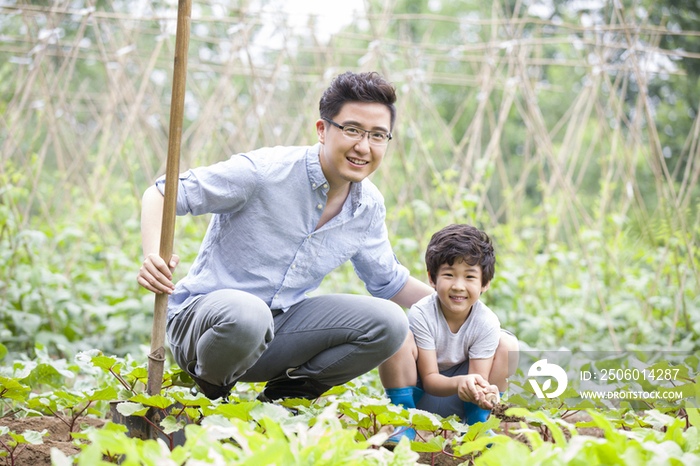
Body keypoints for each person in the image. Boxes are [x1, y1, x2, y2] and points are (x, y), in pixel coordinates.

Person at [137, 71, 435, 401]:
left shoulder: (367, 206)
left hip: (277, 334)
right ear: (323, 130)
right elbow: (161, 193)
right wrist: (152, 254)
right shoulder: (263, 172)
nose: (363, 147)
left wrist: (468, 312)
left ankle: (282, 403)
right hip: (206, 331)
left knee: (391, 322)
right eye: (352, 130)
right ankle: (210, 395)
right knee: (248, 315)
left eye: (378, 135)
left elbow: (390, 283)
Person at [378, 224, 518, 444]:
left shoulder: (486, 321)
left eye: (470, 277)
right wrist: (462, 382)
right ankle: (403, 422)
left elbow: (478, 380)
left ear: (485, 283)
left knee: (508, 345)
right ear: (432, 279)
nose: (458, 286)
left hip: (463, 401)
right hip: (422, 394)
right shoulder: (423, 313)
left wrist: (483, 392)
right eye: (449, 275)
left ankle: (477, 425)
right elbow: (431, 380)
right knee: (398, 335)